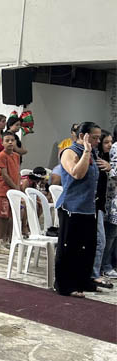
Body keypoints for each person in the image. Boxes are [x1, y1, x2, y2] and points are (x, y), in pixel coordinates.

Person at [54, 122, 100, 297]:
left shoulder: (92, 152)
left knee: (87, 248)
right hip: (71, 206)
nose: (97, 141)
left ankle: (82, 282)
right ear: (82, 136)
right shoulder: (70, 152)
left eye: (98, 138)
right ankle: (65, 285)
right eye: (94, 137)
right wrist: (86, 151)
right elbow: (77, 174)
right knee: (69, 248)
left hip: (88, 207)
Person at [90, 130, 113, 289]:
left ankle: (95, 272)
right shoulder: (97, 160)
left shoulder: (106, 159)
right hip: (94, 205)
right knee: (100, 240)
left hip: (101, 205)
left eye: (110, 142)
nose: (109, 145)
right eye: (106, 142)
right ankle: (94, 274)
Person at [0, 132, 20, 254]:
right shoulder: (2, 155)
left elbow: (17, 173)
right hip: (4, 190)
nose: (10, 142)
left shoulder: (17, 156)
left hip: (14, 191)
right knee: (1, 217)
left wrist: (18, 187)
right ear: (2, 143)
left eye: (12, 140)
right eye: (7, 140)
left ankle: (5, 240)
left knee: (9, 217)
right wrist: (15, 187)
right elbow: (4, 174)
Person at [103, 125, 117, 279]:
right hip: (113, 198)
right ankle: (105, 265)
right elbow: (114, 173)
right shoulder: (116, 148)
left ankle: (111, 263)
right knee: (111, 234)